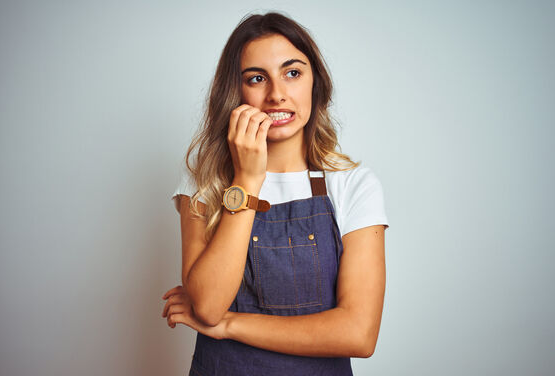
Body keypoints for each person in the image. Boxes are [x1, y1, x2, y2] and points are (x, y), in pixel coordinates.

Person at [161, 11, 389, 376]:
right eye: (256, 78)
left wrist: (229, 326)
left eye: (292, 73)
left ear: (316, 83)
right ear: (235, 92)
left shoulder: (352, 184)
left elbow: (358, 334)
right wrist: (247, 181)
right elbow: (206, 305)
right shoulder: (202, 179)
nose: (277, 94)